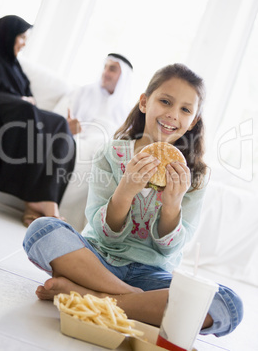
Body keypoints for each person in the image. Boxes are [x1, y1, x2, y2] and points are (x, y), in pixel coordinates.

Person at [23, 64, 243, 336]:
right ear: (144, 102)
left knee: (230, 306)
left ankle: (95, 298)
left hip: (152, 274)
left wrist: (172, 205)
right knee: (42, 230)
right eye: (165, 101)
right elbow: (105, 236)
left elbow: (169, 251)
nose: (173, 115)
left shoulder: (194, 176)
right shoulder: (112, 154)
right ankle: (131, 300)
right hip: (98, 261)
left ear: (194, 120)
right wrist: (125, 191)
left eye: (185, 110)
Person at [0, 15, 76, 226]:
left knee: (60, 126)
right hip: (2, 108)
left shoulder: (15, 66)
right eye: (21, 37)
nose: (24, 43)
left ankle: (42, 204)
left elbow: (30, 98)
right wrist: (20, 100)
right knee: (26, 109)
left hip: (20, 110)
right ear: (7, 35)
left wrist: (26, 101)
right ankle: (39, 205)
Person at [70, 53, 133, 139]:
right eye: (105, 67)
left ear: (123, 77)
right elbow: (62, 120)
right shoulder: (84, 91)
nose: (105, 73)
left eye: (112, 69)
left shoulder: (127, 112)